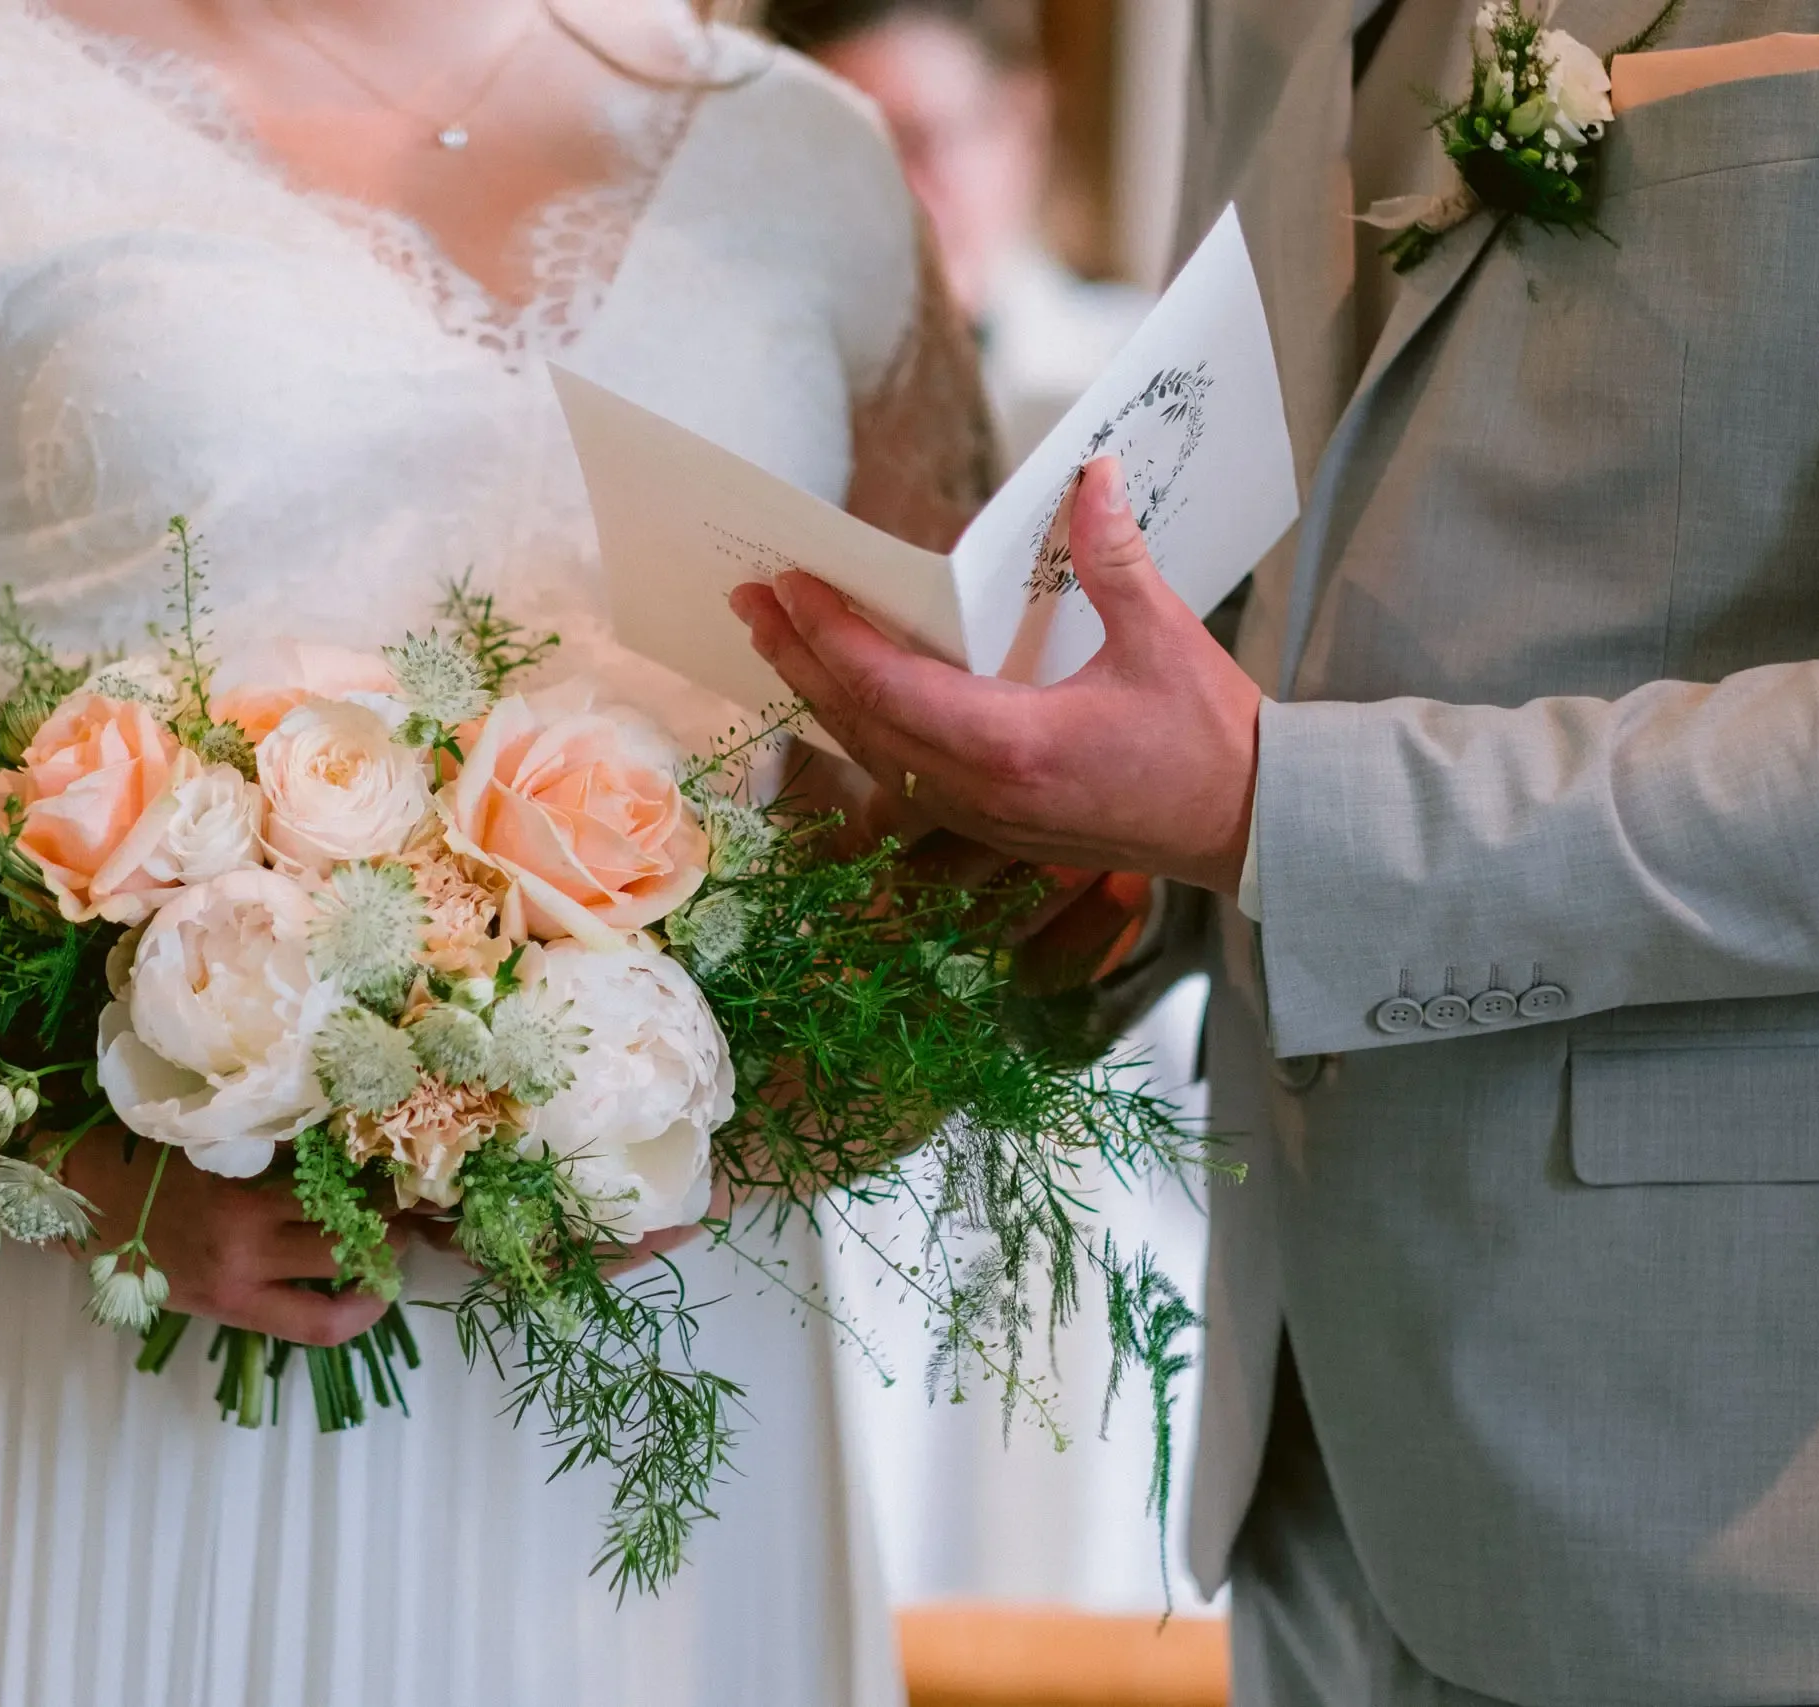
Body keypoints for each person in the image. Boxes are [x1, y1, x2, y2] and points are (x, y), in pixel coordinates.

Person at [0, 2, 997, 1701]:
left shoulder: (812, 160)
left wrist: (758, 1124)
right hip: (26, 1389)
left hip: (631, 1420)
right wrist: (75, 1173)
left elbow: (953, 814)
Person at [735, 1, 1819, 1703]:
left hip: (1781, 1475)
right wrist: (1110, 865)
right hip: (1320, 1452)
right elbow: (1248, 563)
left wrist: (1276, 810)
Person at [767, 0, 1212, 1615]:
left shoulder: (1135, 371)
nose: (901, 193)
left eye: (930, 142)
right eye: (851, 149)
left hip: (1104, 1003)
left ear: (1024, 128)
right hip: (830, 989)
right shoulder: (759, 380)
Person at [765, 0, 1154, 466]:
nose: (890, 196)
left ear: (1024, 122)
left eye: (918, 140)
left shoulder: (1140, 369)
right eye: (840, 155)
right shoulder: (742, 387)